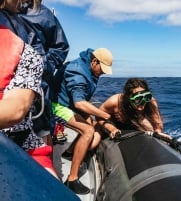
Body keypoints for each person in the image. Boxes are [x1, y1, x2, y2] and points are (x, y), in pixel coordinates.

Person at [0, 0, 59, 179]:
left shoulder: (43, 16)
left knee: (46, 130)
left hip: (38, 98)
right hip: (36, 92)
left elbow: (14, 111)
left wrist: (42, 69)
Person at [51, 47, 114, 194]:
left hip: (68, 103)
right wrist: (105, 116)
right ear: (94, 62)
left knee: (91, 124)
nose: (103, 72)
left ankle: (70, 152)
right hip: (56, 105)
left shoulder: (89, 69)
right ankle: (71, 180)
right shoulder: (78, 71)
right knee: (88, 130)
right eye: (102, 69)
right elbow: (79, 103)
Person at [19, 0, 70, 145]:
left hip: (38, 88)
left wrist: (42, 65)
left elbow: (61, 46)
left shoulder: (43, 14)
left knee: (41, 132)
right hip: (7, 84)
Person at [98, 78, 171, 140]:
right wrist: (112, 129)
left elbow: (157, 126)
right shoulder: (114, 102)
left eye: (146, 97)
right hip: (117, 122)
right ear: (128, 97)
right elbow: (98, 116)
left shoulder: (151, 101)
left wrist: (157, 135)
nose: (143, 102)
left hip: (135, 120)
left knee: (149, 128)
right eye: (138, 99)